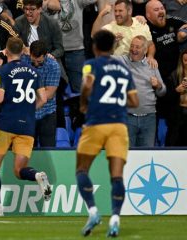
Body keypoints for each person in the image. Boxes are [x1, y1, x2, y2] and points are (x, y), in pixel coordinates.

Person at [0, 37, 51, 217]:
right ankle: (37, 175)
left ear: (6, 52)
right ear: (21, 51)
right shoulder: (34, 72)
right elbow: (44, 99)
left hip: (6, 123)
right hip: (27, 126)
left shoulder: (2, 71)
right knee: (19, 170)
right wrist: (28, 110)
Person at [76, 30, 139, 237]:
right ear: (113, 48)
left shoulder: (91, 65)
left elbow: (87, 84)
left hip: (96, 123)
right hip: (119, 126)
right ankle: (115, 219)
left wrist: (84, 104)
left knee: (82, 170)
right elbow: (134, 102)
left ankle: (93, 211)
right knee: (117, 176)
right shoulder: (123, 69)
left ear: (95, 47)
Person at [112, 35, 166, 147]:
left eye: (137, 47)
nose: (133, 49)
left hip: (149, 118)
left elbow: (162, 92)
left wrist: (159, 85)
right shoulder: (122, 61)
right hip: (128, 117)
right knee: (127, 155)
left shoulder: (152, 65)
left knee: (147, 155)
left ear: (145, 50)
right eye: (132, 46)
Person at [91, 0, 156, 67]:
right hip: (119, 68)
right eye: (115, 11)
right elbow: (93, 34)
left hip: (140, 67)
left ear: (129, 11)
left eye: (120, 11)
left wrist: (150, 56)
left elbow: (151, 45)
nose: (117, 14)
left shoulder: (141, 24)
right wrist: (102, 14)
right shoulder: (110, 28)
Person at [21, 40, 60, 147]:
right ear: (30, 54)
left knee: (48, 150)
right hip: (27, 115)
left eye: (40, 62)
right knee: (26, 151)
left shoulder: (53, 66)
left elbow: (49, 93)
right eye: (34, 61)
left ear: (45, 55)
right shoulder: (23, 59)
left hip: (46, 114)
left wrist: (28, 102)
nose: (36, 64)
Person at [167, 49, 187, 146]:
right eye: (186, 60)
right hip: (177, 117)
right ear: (181, 61)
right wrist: (176, 91)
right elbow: (166, 98)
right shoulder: (174, 75)